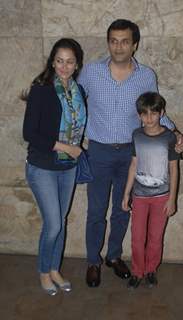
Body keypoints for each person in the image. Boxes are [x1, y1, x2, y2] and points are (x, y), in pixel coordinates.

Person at [78, 19, 183, 287]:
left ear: (134, 44)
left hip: (132, 153)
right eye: (114, 40)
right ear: (108, 43)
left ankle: (113, 256)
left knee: (122, 209)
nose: (118, 46)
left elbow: (155, 112)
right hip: (99, 151)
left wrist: (176, 134)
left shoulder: (146, 76)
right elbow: (74, 104)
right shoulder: (91, 72)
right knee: (95, 210)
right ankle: (93, 261)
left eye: (125, 41)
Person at [22, 38, 86, 295]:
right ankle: (43, 271)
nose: (64, 66)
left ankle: (55, 269)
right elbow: (30, 133)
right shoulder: (42, 89)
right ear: (52, 61)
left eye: (69, 61)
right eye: (59, 60)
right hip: (42, 166)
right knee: (54, 224)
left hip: (67, 168)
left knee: (60, 221)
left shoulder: (77, 91)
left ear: (77, 64)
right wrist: (65, 147)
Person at [122, 91, 180, 289]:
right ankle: (137, 271)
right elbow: (133, 164)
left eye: (153, 113)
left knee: (156, 237)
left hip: (161, 198)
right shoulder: (136, 135)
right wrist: (126, 193)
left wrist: (172, 199)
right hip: (139, 197)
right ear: (139, 115)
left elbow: (174, 168)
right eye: (144, 114)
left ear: (161, 113)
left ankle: (150, 270)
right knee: (138, 237)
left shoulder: (169, 137)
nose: (149, 118)